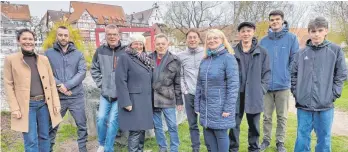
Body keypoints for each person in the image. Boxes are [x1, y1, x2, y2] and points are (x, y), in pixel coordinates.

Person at [291, 17, 347, 152]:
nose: (316, 34)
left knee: (324, 138)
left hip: (325, 105)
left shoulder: (336, 51)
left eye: (320, 30)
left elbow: (341, 75)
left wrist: (333, 94)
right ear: (309, 32)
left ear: (326, 31)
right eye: (313, 31)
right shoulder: (300, 53)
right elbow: (293, 74)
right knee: (302, 137)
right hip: (303, 105)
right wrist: (297, 93)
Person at [3, 28, 62, 151]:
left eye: (31, 39)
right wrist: (14, 108)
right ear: (18, 41)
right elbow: (8, 85)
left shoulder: (43, 59)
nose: (28, 41)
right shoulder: (11, 60)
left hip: (43, 104)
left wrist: (55, 103)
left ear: (34, 41)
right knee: (31, 140)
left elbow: (51, 83)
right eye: (24, 39)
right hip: (26, 106)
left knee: (45, 137)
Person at [259, 10, 300, 152]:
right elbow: (260, 62)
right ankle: (265, 140)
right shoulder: (263, 41)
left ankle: (280, 142)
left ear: (282, 21)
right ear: (269, 22)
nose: (275, 22)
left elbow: (294, 60)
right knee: (267, 117)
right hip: (267, 86)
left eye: (277, 19)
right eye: (272, 20)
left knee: (282, 117)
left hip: (283, 85)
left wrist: (286, 75)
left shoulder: (292, 38)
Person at [194, 29, 239, 152]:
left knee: (220, 135)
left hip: (220, 107)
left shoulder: (228, 58)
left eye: (215, 38)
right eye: (209, 38)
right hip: (206, 107)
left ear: (222, 41)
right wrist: (197, 105)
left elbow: (233, 85)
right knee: (208, 136)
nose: (212, 41)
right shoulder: (205, 60)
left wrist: (228, 108)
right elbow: (199, 85)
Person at [229, 22, 271, 152]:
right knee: (234, 124)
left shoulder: (262, 52)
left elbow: (267, 73)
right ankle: (233, 149)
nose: (246, 33)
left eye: (248, 31)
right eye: (243, 31)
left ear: (253, 32)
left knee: (254, 125)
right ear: (239, 34)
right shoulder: (231, 52)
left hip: (254, 94)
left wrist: (261, 89)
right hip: (236, 95)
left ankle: (253, 148)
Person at [45, 26, 88, 152]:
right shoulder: (48, 54)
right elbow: (46, 73)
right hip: (58, 97)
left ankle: (82, 149)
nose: (63, 38)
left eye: (65, 35)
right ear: (56, 36)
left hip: (76, 96)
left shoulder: (78, 54)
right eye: (60, 35)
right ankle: (48, 149)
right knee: (52, 126)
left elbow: (82, 72)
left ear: (69, 37)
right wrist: (59, 85)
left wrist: (67, 86)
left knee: (82, 126)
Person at [115, 34, 155, 152]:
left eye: (140, 43)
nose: (138, 46)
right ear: (131, 45)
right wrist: (126, 101)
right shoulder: (125, 57)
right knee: (135, 131)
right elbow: (120, 81)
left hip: (145, 100)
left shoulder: (145, 58)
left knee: (141, 130)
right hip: (134, 101)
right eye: (135, 43)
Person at [90, 24, 126, 152]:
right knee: (101, 119)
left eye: (114, 34)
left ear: (119, 35)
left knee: (112, 121)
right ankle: (101, 143)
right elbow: (94, 69)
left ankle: (108, 148)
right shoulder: (100, 51)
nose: (112, 37)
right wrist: (101, 84)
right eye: (109, 34)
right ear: (105, 36)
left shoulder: (125, 51)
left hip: (120, 95)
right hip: (105, 94)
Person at [149, 33, 183, 152]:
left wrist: (179, 100)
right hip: (153, 99)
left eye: (163, 44)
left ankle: (174, 148)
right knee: (157, 127)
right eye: (158, 44)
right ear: (154, 44)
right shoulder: (148, 58)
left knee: (172, 126)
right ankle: (162, 148)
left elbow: (178, 82)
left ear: (167, 44)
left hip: (168, 98)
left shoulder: (175, 60)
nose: (160, 46)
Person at [177, 29, 207, 152]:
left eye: (195, 37)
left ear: (199, 39)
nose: (192, 39)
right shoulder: (180, 56)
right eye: (190, 37)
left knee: (206, 122)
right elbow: (180, 75)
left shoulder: (206, 53)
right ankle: (196, 148)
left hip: (205, 93)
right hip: (189, 93)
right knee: (192, 123)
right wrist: (185, 90)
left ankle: (210, 146)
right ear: (186, 40)